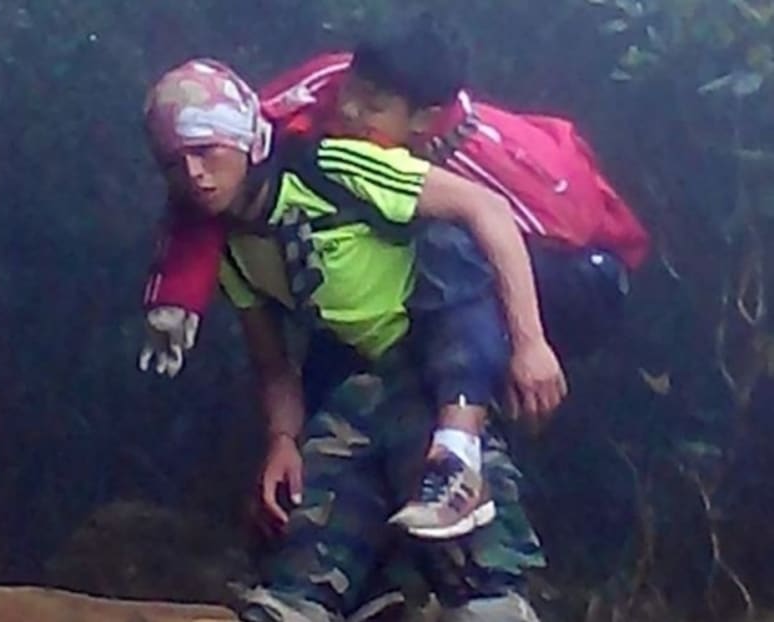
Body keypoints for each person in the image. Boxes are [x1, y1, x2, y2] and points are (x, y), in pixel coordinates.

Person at [139, 15, 649, 540]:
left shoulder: (482, 159)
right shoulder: (316, 110)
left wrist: (530, 344)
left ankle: (458, 453)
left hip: (575, 277)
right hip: (409, 326)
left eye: (373, 106)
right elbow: (224, 156)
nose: (351, 112)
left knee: (451, 242)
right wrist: (177, 291)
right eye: (351, 94)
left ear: (426, 120)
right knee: (338, 406)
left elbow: (512, 222)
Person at [143, 50, 563, 621]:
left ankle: (460, 452)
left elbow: (485, 209)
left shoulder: (333, 167)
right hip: (351, 391)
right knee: (297, 576)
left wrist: (530, 343)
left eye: (206, 151)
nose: (194, 173)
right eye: (175, 162)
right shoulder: (231, 249)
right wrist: (282, 442)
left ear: (245, 140)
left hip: (436, 373)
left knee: (479, 579)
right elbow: (272, 363)